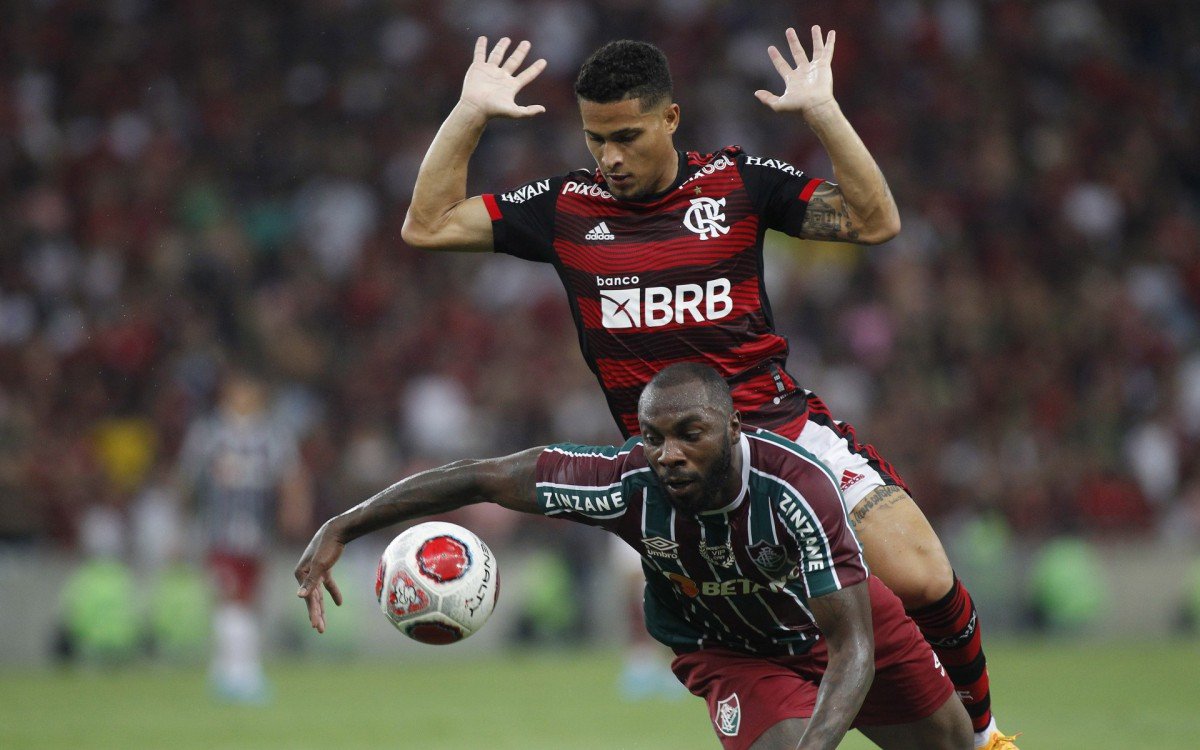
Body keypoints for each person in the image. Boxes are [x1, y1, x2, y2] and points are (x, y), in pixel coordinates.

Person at [398, 27, 1017, 749]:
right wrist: (469, 113)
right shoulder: (565, 206)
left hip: (785, 432)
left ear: (670, 118)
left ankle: (987, 737)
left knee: (923, 575)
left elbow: (875, 220)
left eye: (627, 136)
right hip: (678, 470)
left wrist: (823, 113)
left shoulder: (736, 183)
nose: (609, 158)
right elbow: (427, 226)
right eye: (596, 139)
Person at [296, 363, 973, 750]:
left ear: (734, 428)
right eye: (653, 437)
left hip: (836, 625)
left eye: (689, 434)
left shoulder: (797, 488)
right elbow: (483, 477)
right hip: (729, 649)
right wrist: (341, 525)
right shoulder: (624, 483)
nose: (668, 453)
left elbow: (853, 646)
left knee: (956, 743)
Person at [177, 369, 312, 702]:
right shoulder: (208, 433)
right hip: (218, 532)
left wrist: (294, 511)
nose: (245, 398)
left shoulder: (272, 435)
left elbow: (291, 477)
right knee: (229, 597)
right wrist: (181, 524)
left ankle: (231, 671)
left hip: (257, 533)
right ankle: (240, 673)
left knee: (248, 600)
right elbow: (186, 480)